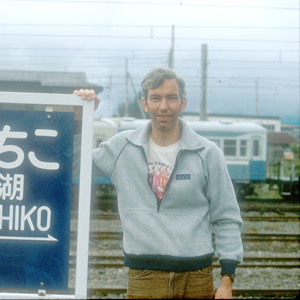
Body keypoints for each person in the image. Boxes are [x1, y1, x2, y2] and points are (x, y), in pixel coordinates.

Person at [73, 67, 243, 299]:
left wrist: (226, 280)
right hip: (144, 276)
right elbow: (74, 165)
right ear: (145, 103)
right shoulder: (121, 148)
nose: (164, 106)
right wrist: (79, 120)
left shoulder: (208, 153)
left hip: (197, 277)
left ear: (183, 103)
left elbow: (227, 217)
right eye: (156, 98)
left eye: (171, 97)